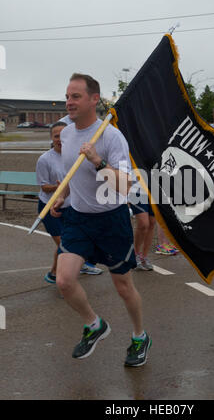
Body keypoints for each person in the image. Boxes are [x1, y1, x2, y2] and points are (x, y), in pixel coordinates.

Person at [51, 73, 151, 366]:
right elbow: (71, 172)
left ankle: (139, 336)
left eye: (76, 96)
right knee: (64, 281)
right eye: (68, 96)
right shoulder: (67, 133)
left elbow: (125, 186)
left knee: (123, 287)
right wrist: (62, 194)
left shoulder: (111, 136)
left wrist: (97, 161)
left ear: (94, 99)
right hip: (78, 219)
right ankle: (94, 325)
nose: (69, 102)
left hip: (111, 220)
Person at [36, 122, 103, 284]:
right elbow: (44, 187)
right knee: (65, 244)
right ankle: (60, 275)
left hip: (71, 207)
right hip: (49, 207)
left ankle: (57, 272)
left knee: (69, 244)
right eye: (56, 136)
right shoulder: (44, 159)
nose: (59, 139)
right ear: (51, 138)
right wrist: (58, 187)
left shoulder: (75, 155)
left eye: (62, 135)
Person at [128, 182, 155, 271]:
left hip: (153, 190)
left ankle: (144, 257)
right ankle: (135, 254)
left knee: (152, 223)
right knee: (143, 224)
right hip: (136, 190)